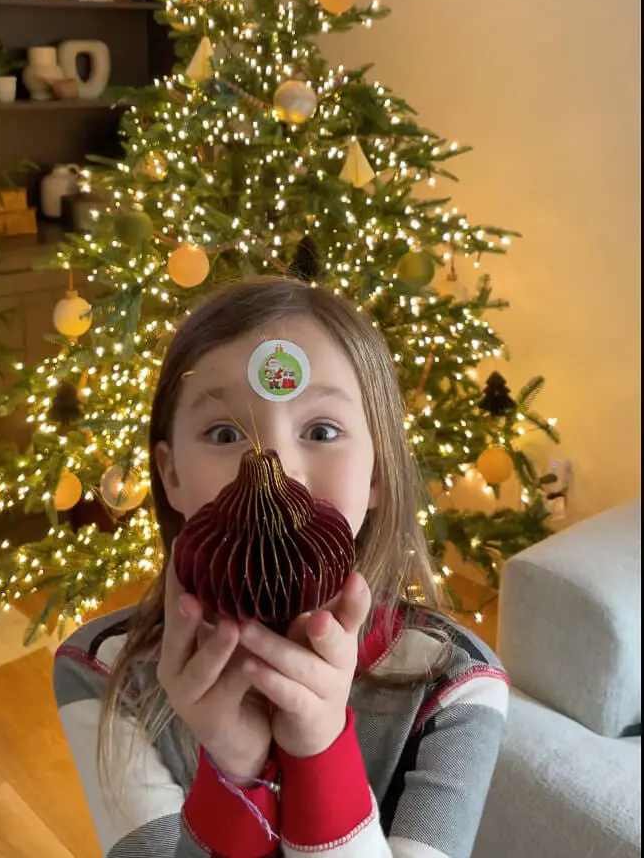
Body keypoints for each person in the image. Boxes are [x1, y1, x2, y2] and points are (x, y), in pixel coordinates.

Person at [53, 277, 509, 858]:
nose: (271, 468)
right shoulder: (103, 673)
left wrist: (319, 751)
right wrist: (232, 771)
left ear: (376, 473)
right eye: (223, 433)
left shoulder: (455, 688)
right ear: (169, 476)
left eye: (321, 431)